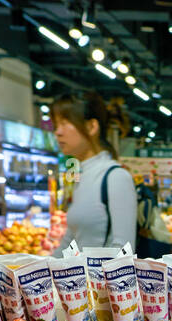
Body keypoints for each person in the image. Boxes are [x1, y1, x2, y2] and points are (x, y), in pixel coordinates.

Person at [50, 91, 136, 252]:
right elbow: (70, 241)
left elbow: (124, 251)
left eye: (64, 123)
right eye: (56, 125)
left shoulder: (116, 177)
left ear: (91, 127)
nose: (58, 132)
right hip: (80, 277)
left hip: (101, 277)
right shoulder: (83, 177)